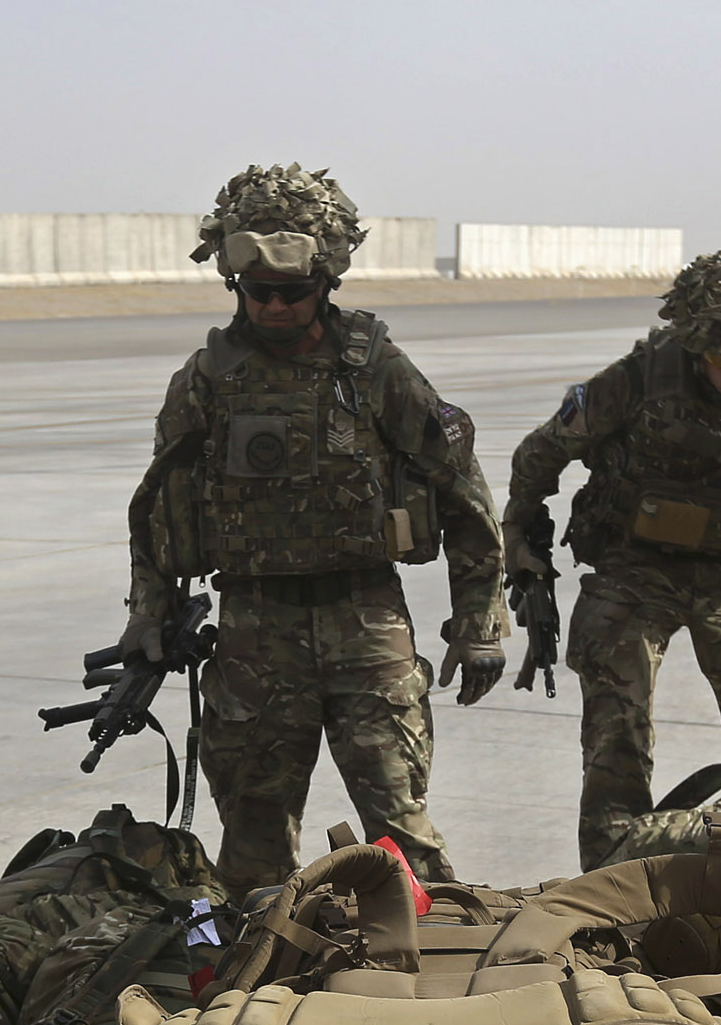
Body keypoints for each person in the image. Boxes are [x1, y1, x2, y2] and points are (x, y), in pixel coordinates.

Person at [125, 165, 503, 889]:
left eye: (291, 292)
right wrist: (149, 611)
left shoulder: (374, 369)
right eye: (257, 291)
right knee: (253, 844)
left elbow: (462, 491)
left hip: (365, 618)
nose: (273, 306)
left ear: (324, 283)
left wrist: (479, 623)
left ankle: (427, 946)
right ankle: (265, 954)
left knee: (401, 828)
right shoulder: (207, 378)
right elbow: (158, 506)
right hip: (253, 627)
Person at [503, 249, 721, 865]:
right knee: (616, 736)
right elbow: (540, 452)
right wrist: (518, 533)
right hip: (635, 571)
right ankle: (611, 879)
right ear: (696, 346)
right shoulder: (636, 380)